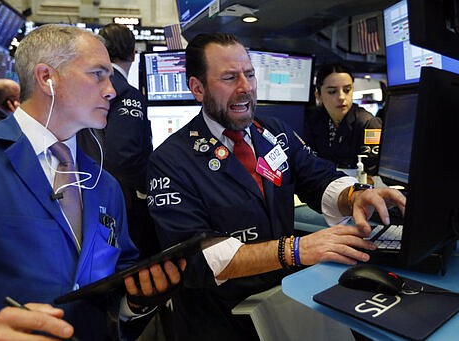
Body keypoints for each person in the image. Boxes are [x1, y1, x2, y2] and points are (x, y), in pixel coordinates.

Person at [146, 32, 405, 340]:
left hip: (284, 300)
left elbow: (317, 176)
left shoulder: (272, 132)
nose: (245, 88)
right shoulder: (170, 161)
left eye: (250, 74)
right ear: (197, 88)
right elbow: (199, 259)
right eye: (229, 78)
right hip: (221, 319)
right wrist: (296, 249)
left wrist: (357, 196)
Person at [0, 24, 184, 341]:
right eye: (97, 74)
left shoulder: (106, 186)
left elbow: (115, 277)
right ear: (47, 78)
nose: (111, 90)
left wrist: (135, 300)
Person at [77, 23, 158, 259]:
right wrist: (150, 186)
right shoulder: (126, 94)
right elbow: (125, 156)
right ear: (134, 54)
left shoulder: (87, 89)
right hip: (125, 201)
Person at [304, 63, 382, 175]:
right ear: (318, 95)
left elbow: (371, 174)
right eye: (332, 91)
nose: (341, 97)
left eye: (347, 90)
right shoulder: (313, 121)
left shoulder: (368, 124)